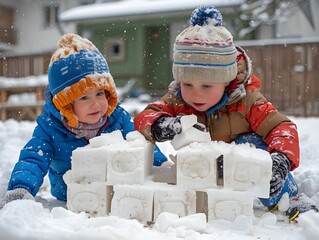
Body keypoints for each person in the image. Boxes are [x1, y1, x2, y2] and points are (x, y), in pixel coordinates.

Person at [134, 6, 318, 221]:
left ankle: (286, 198)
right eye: (187, 84)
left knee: (250, 143)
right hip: (200, 172)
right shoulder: (177, 99)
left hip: (239, 171)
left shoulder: (247, 101)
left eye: (206, 86)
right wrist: (159, 124)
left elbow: (282, 128)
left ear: (226, 80)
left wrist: (281, 160)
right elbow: (144, 117)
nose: (195, 94)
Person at [0, 33, 166, 206]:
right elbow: (33, 158)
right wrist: (21, 187)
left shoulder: (117, 119)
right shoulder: (50, 129)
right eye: (84, 98)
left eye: (100, 93)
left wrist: (162, 168)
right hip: (70, 198)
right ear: (67, 104)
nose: (95, 104)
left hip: (115, 195)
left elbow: (141, 143)